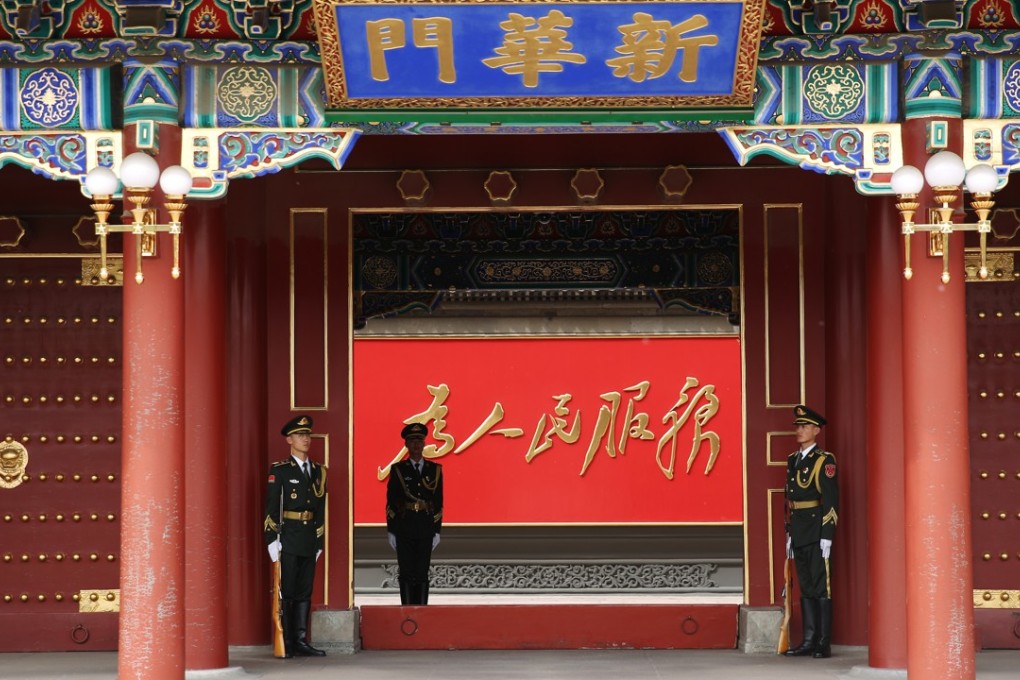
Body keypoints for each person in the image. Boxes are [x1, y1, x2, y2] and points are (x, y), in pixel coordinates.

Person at [264, 415, 327, 657]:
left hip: (309, 537)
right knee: (287, 590)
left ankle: (300, 640)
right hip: (287, 537)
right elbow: (271, 508)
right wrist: (272, 540)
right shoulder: (280, 470)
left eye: (307, 435)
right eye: (300, 435)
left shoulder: (319, 472)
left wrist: (319, 541)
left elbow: (320, 510)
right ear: (289, 439)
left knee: (304, 590)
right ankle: (287, 640)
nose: (305, 439)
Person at [783, 404, 839, 659]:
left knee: (821, 586)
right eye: (798, 426)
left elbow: (830, 500)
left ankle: (822, 642)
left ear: (816, 430)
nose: (800, 430)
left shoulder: (824, 461)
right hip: (800, 530)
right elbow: (791, 499)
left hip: (817, 530)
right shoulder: (793, 460)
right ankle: (808, 639)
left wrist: (827, 533)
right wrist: (790, 533)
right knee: (805, 585)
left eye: (805, 426)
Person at [386, 422, 444, 605]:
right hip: (405, 525)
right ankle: (407, 612)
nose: (416, 445)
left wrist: (437, 530)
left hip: (425, 526)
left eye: (419, 440)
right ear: (406, 445)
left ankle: (422, 613)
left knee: (422, 572)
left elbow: (438, 501)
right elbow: (391, 502)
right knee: (406, 572)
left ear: (424, 443)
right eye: (412, 441)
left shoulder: (434, 470)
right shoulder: (398, 470)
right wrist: (391, 530)